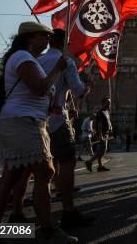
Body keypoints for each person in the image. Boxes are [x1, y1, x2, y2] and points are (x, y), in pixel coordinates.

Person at [0, 21, 78, 243]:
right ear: (29, 38)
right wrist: (58, 68)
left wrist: (51, 106)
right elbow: (39, 87)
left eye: (48, 37)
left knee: (10, 178)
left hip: (23, 120)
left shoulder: (28, 59)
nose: (47, 40)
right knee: (45, 172)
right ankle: (48, 230)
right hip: (23, 122)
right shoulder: (23, 58)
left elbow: (35, 93)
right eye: (42, 36)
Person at [36, 28, 93, 228]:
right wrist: (87, 87)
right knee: (66, 163)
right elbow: (78, 91)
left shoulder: (37, 60)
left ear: (50, 42)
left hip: (37, 121)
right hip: (59, 121)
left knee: (38, 170)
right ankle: (68, 210)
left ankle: (21, 214)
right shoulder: (66, 62)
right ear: (66, 43)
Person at [85, 98, 112, 172]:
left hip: (106, 133)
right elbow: (99, 124)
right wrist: (100, 135)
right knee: (102, 151)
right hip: (102, 134)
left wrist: (111, 128)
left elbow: (108, 121)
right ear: (103, 103)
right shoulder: (100, 112)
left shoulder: (106, 112)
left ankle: (100, 166)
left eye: (109, 103)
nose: (109, 104)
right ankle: (89, 162)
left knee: (100, 150)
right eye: (108, 103)